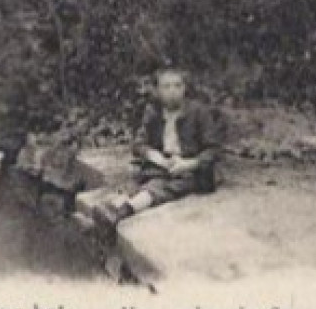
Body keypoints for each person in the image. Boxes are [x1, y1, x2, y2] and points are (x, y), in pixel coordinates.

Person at [95, 68, 224, 226]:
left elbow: (215, 150)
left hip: (192, 170)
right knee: (137, 183)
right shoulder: (153, 112)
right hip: (161, 165)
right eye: (166, 86)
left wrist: (189, 163)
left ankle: (121, 213)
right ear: (158, 90)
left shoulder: (198, 112)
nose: (173, 91)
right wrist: (155, 156)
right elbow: (138, 144)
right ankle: (107, 212)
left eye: (178, 86)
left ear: (184, 88)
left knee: (160, 187)